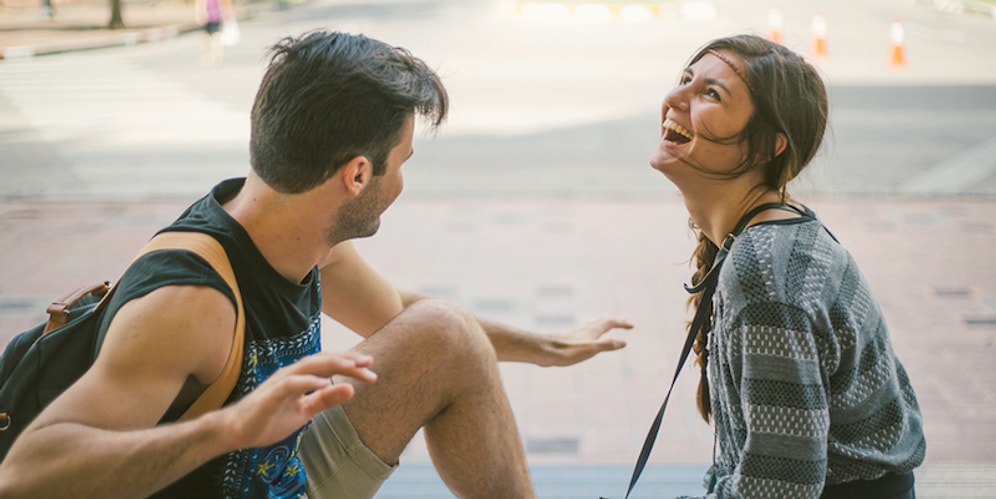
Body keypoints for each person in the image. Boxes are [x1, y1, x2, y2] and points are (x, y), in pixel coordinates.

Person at [0, 30, 631, 498]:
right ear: (357, 173)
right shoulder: (191, 304)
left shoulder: (299, 232)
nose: (403, 179)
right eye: (403, 160)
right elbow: (27, 475)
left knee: (446, 332)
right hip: (229, 477)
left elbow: (410, 319)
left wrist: (547, 346)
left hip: (280, 474)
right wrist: (231, 429)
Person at [650, 35, 926, 498]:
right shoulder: (767, 235)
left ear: (765, 149)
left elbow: (781, 488)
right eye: (685, 80)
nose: (674, 99)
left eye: (710, 94)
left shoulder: (765, 271)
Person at [194, 0, 234, 65]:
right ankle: (207, 55)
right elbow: (199, 4)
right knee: (207, 38)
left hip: (216, 18)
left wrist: (226, 13)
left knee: (216, 36)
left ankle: (217, 55)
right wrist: (198, 15)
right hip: (206, 18)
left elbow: (224, 4)